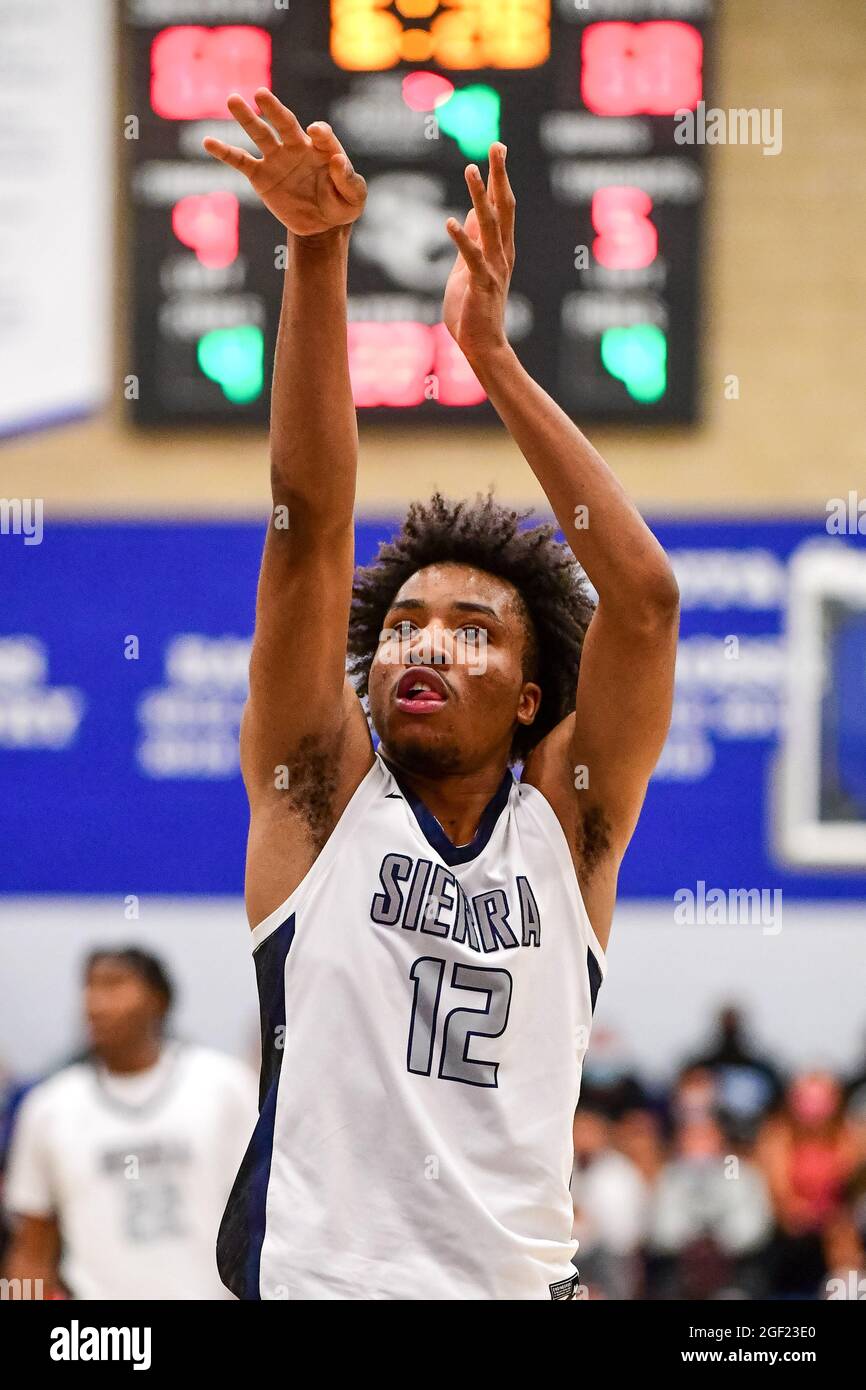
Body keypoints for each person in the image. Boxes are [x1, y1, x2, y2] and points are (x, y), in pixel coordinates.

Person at [204, 88, 679, 1301]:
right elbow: (309, 527)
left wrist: (493, 359)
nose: (425, 643)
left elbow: (644, 602)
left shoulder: (564, 832)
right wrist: (317, 254)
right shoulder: (316, 798)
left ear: (530, 697)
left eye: (473, 630)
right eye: (405, 621)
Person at [3, 949, 256, 1300]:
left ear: (159, 1000)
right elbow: (32, 1251)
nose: (95, 1003)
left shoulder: (225, 1085)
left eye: (114, 984)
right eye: (89, 987)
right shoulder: (48, 1107)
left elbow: (267, 1210)